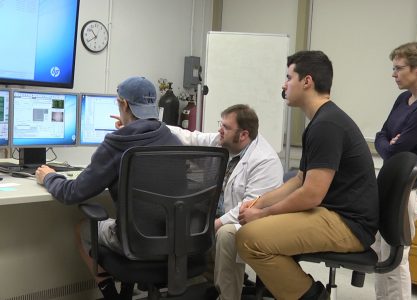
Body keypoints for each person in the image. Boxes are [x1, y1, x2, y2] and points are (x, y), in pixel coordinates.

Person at [235, 50, 379, 300]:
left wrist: (262, 213)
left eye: (289, 77)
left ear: (307, 81)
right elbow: (300, 181)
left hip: (348, 224)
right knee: (257, 229)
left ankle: (312, 297)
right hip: (336, 215)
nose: (284, 84)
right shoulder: (323, 120)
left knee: (249, 238)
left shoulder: (327, 125)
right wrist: (258, 203)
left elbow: (311, 194)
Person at [35, 76, 182, 300]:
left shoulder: (117, 144)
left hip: (135, 241)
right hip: (175, 239)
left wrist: (49, 178)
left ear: (123, 104)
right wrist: (129, 128)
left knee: (82, 229)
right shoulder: (173, 139)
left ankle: (112, 296)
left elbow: (72, 193)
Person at [168, 104, 283, 300]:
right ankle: (210, 282)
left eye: (226, 127)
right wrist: (151, 124)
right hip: (223, 214)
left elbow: (248, 207)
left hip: (254, 220)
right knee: (184, 218)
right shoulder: (223, 142)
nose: (220, 130)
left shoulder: (264, 160)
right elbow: (190, 137)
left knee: (225, 235)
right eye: (221, 125)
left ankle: (228, 296)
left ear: (243, 135)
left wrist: (215, 224)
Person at [373, 42, 417, 300]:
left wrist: (391, 145)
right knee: (381, 253)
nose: (394, 74)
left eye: (398, 68)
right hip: (392, 187)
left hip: (410, 190)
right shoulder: (404, 98)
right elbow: (382, 137)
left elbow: (395, 152)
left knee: (396, 257)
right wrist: (389, 143)